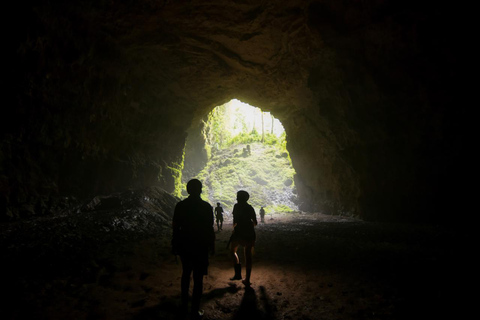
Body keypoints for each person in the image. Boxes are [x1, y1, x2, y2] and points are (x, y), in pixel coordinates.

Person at [172, 179, 215, 319]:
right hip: (200, 246)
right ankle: (195, 309)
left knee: (185, 274)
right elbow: (209, 229)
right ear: (201, 189)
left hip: (185, 244)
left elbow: (176, 227)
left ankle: (184, 306)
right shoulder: (206, 207)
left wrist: (175, 244)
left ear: (188, 190)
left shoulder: (181, 206)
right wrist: (211, 245)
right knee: (198, 278)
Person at [229, 190, 258, 286]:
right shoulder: (250, 208)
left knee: (233, 251)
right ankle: (247, 279)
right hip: (249, 233)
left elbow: (235, 221)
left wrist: (235, 227)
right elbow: (255, 222)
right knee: (248, 255)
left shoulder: (236, 206)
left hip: (238, 233)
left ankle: (238, 274)